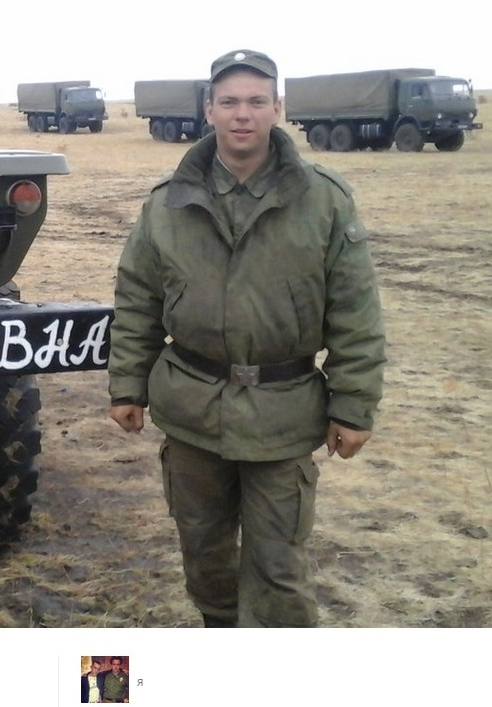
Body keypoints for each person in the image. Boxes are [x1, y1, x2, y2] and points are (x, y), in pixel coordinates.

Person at [107, 49, 385, 628]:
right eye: (229, 101)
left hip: (281, 414)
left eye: (257, 101)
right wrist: (127, 386)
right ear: (209, 110)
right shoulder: (167, 202)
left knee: (279, 565)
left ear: (277, 109)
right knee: (204, 552)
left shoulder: (323, 199)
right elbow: (138, 299)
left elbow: (355, 311)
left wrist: (354, 405)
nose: (243, 114)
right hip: (192, 408)